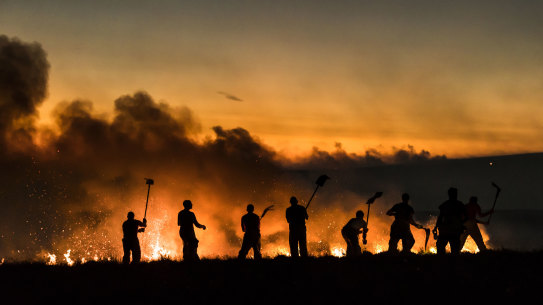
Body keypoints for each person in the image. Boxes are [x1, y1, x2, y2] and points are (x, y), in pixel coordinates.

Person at [433, 188, 467, 254]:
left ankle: (442, 262)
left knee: (441, 247)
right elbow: (464, 217)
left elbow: (440, 217)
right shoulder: (459, 205)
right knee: (454, 249)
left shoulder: (445, 205)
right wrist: (461, 226)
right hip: (453, 230)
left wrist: (436, 227)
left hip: (446, 230)